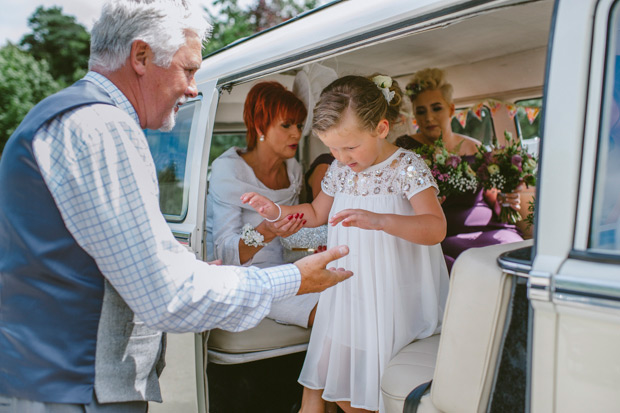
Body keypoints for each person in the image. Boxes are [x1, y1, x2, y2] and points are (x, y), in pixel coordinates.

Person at [0, 0, 353, 410]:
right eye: (188, 69)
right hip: (72, 390)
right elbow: (166, 295)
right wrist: (292, 279)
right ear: (141, 56)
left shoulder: (65, 116)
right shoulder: (103, 128)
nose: (192, 88)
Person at [242, 74, 450, 413]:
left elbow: (435, 227)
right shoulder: (340, 169)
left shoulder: (407, 167)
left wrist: (381, 221)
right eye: (332, 148)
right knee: (342, 389)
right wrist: (277, 210)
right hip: (351, 293)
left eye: (350, 147)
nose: (341, 156)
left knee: (380, 389)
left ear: (381, 128)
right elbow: (314, 212)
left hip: (394, 296)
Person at [206, 80, 319, 328]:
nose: (297, 134)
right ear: (260, 126)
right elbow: (225, 254)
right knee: (326, 311)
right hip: (250, 277)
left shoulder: (293, 170)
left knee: (343, 295)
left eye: (299, 125)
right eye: (286, 125)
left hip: (290, 268)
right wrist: (267, 232)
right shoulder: (228, 171)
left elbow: (297, 235)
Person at [396, 67, 524, 271]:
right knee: (463, 264)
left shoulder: (474, 146)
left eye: (436, 108)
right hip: (446, 234)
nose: (429, 118)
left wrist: (504, 200)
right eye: (421, 111)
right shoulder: (404, 149)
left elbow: (490, 194)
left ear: (451, 109)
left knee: (515, 250)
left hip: (489, 227)